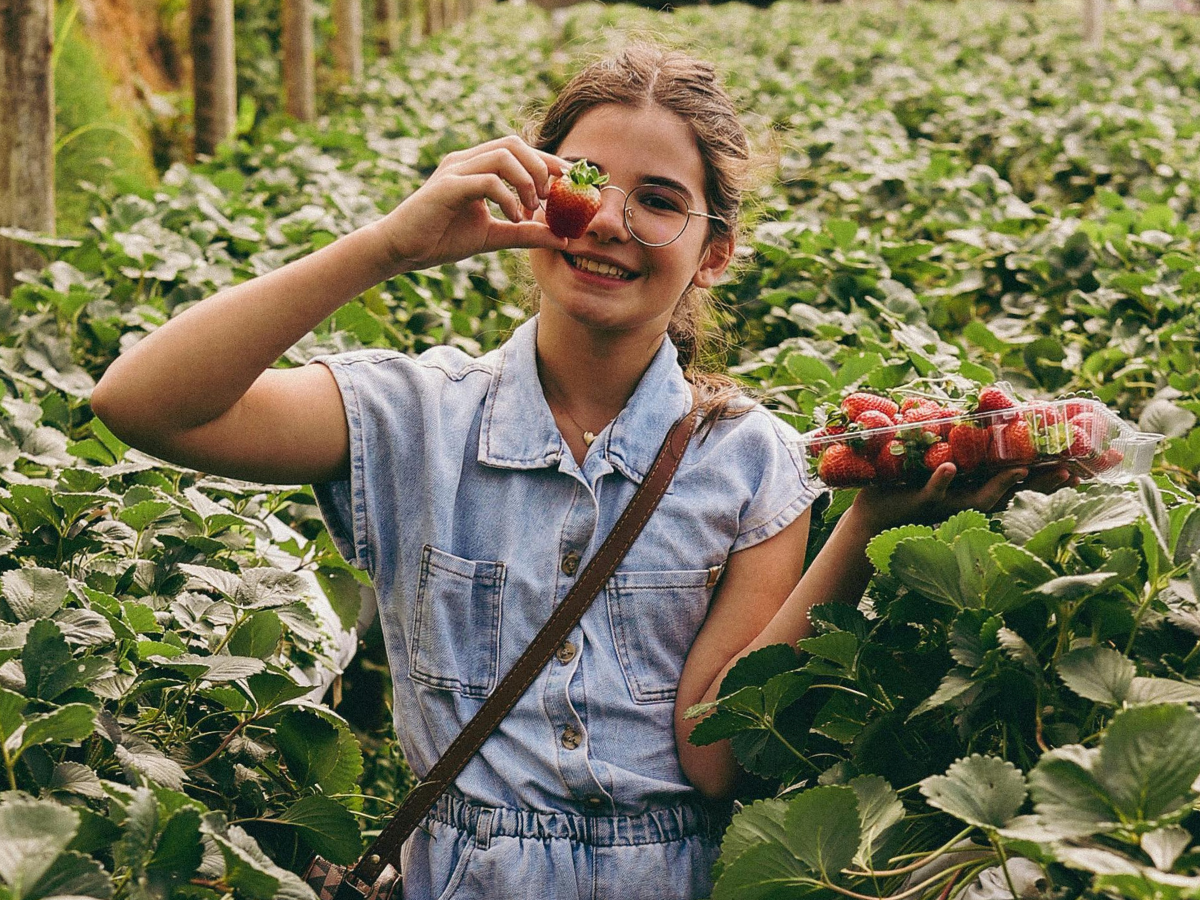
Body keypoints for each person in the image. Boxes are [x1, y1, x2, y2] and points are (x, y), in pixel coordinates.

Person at [90, 43, 1071, 900]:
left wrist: (865, 528)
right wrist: (390, 245)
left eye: (659, 202)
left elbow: (715, 752)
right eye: (583, 179)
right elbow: (142, 403)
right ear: (527, 193)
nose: (608, 219)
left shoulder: (748, 458)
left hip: (668, 879)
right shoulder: (416, 417)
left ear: (714, 254)